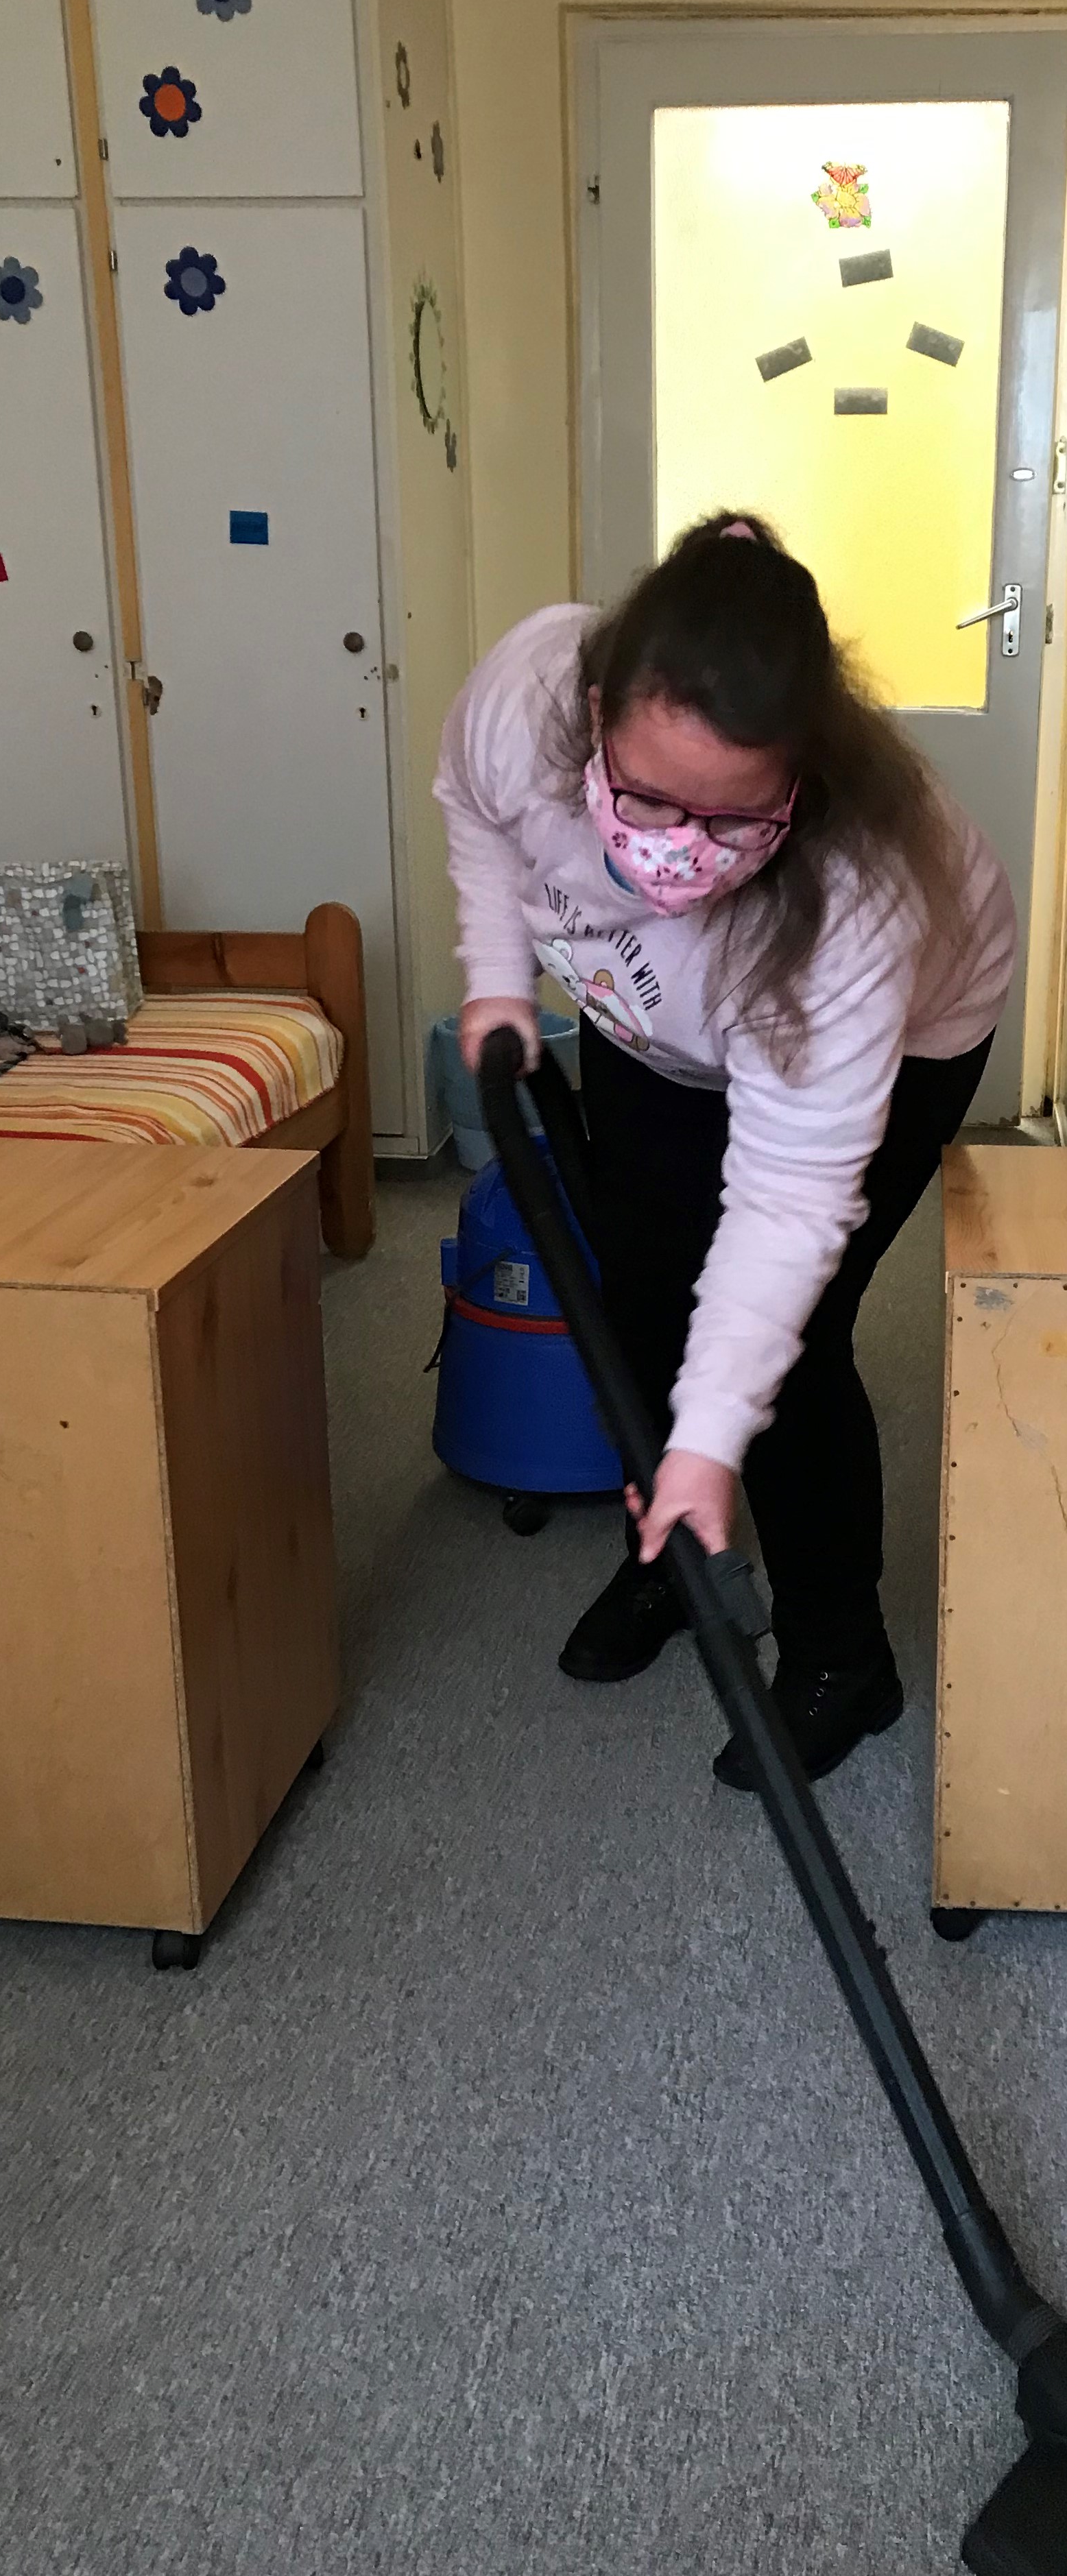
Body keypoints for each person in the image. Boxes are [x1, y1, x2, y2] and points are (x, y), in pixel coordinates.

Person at [434, 512, 1016, 1787]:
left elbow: (785, 1204)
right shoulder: (529, 695)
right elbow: (474, 807)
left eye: (733, 819)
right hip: (652, 1025)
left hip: (896, 1035)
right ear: (595, 713)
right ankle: (674, 1558)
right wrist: (495, 979)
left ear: (799, 777)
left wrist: (711, 1438)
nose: (676, 852)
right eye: (645, 797)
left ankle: (840, 1656)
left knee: (786, 1346)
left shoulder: (854, 891)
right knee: (646, 1290)